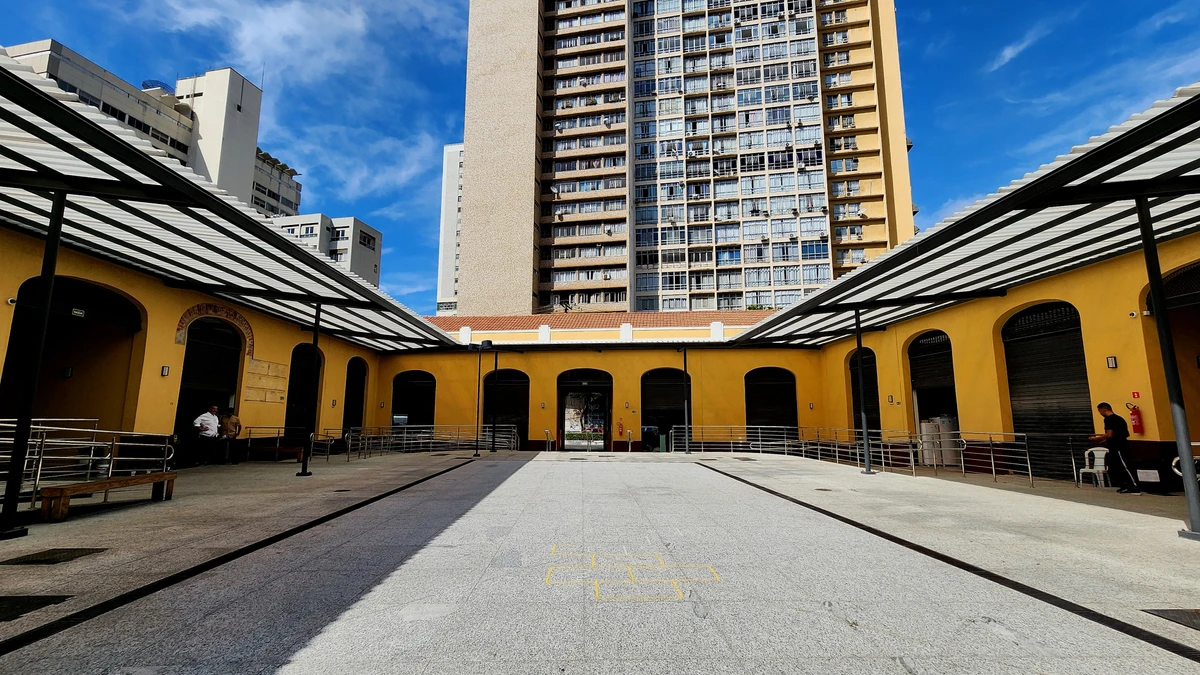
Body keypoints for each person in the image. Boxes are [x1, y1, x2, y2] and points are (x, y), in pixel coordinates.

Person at [1089, 402, 1139, 494]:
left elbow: (1109, 434)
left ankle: (1134, 485)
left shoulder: (1109, 420)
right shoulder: (1120, 419)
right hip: (1121, 444)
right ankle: (1125, 485)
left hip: (1118, 446)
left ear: (1104, 409)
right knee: (1118, 466)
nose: (1100, 413)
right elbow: (1123, 434)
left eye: (1100, 411)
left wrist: (1096, 438)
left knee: (1124, 465)